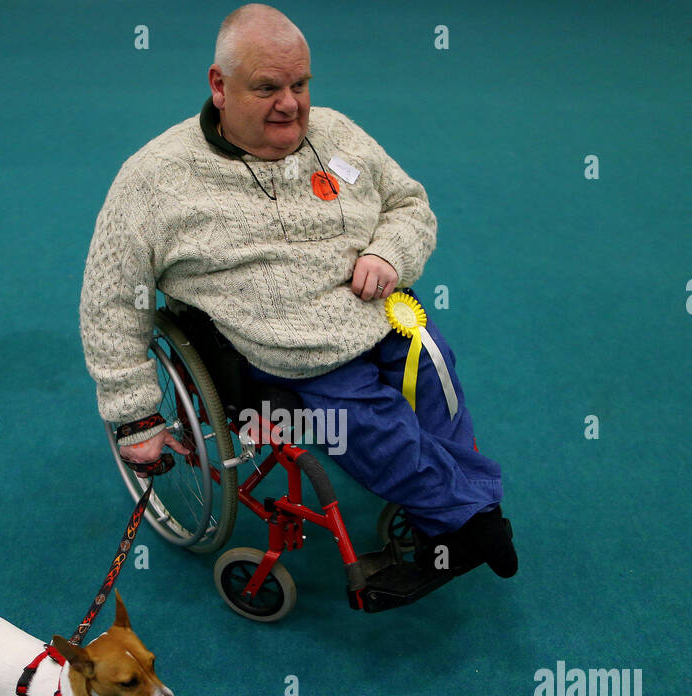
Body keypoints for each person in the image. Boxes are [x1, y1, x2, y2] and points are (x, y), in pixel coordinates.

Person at [79, 4, 515, 578]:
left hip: (381, 311)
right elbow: (110, 299)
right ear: (220, 86)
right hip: (290, 350)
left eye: (300, 83)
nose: (291, 103)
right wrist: (135, 417)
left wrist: (389, 253)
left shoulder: (337, 133)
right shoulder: (154, 181)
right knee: (365, 416)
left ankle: (456, 511)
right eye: (267, 87)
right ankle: (468, 520)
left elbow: (408, 203)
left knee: (434, 369)